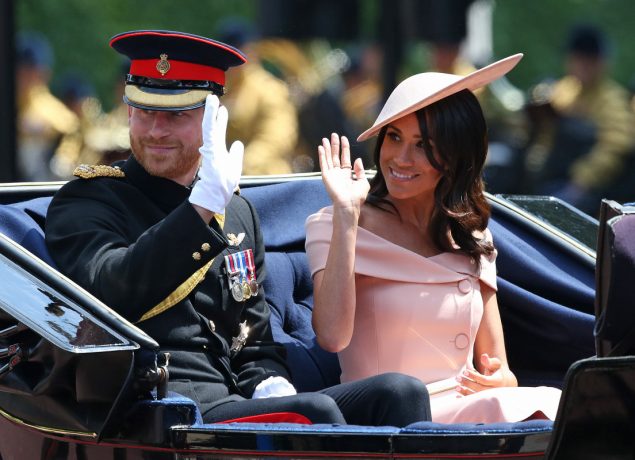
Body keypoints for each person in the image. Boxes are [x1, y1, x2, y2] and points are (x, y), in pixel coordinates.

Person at [44, 29, 430, 426]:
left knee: (401, 392)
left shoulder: (238, 212)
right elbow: (112, 292)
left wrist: (271, 382)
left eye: (177, 115)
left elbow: (254, 340)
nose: (157, 130)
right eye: (145, 112)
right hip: (157, 404)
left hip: (231, 401)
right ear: (129, 112)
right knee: (314, 413)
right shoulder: (89, 199)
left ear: (214, 118)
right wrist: (199, 210)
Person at [305, 53, 562, 424]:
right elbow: (331, 337)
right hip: (384, 420)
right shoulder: (335, 222)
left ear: (457, 156)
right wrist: (347, 214)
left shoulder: (472, 237)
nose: (401, 158)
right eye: (394, 137)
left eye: (423, 144)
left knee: (560, 403)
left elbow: (501, 370)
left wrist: (498, 381)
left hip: (468, 413)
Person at [524, 24, 635, 214]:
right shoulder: (562, 91)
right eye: (578, 58)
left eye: (590, 60)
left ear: (602, 63)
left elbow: (615, 146)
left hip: (592, 189)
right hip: (553, 177)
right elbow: (545, 135)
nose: (583, 65)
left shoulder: (612, 99)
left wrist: (581, 182)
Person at [15, 31, 79, 181]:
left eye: (30, 70)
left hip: (40, 180)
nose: (25, 77)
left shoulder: (49, 108)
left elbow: (72, 130)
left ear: (43, 73)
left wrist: (65, 156)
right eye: (21, 70)